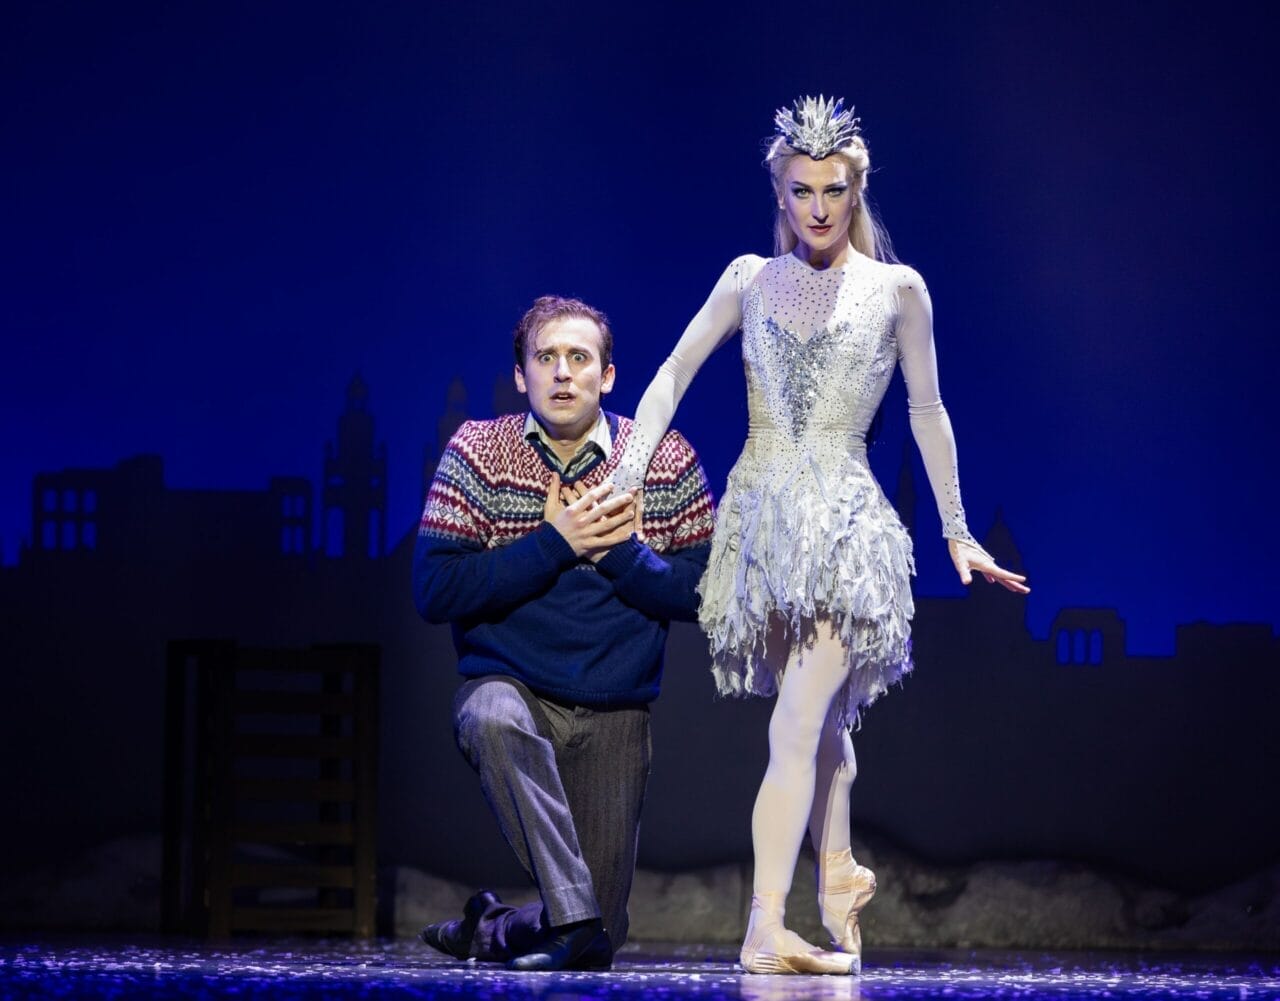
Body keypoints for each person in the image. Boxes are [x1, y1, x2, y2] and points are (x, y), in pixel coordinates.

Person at [615, 96, 1030, 975]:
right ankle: (838, 868)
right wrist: (627, 469)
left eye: (833, 190)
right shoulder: (747, 280)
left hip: (843, 524)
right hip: (761, 522)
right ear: (780, 189)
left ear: (857, 189)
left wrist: (957, 529)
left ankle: (765, 926)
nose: (816, 207)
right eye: (801, 190)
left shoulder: (898, 290)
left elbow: (928, 410)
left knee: (800, 722)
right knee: (820, 720)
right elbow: (673, 372)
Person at [412, 295, 715, 971]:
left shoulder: (661, 458)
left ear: (608, 375)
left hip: (614, 710)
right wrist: (556, 541)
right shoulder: (478, 450)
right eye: (545, 357)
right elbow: (434, 589)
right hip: (516, 693)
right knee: (491, 714)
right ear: (521, 374)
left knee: (594, 933)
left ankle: (491, 925)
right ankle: (565, 916)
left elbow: (712, 594)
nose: (562, 373)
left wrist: (618, 553)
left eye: (580, 358)